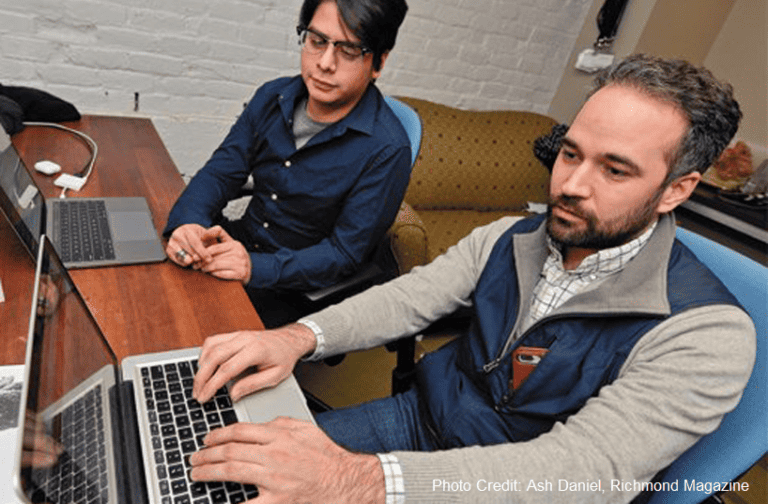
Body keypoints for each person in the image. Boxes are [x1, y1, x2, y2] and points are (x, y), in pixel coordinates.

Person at [186, 54, 756, 503]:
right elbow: (410, 298)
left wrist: (357, 482)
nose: (572, 185)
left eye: (614, 169)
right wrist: (297, 337)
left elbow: (580, 474)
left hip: (514, 487)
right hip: (421, 418)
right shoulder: (512, 235)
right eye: (570, 154)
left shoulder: (709, 336)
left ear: (677, 189)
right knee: (215, 472)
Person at [163, 0, 410, 327]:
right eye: (317, 40)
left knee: (190, 338)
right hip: (238, 245)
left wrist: (254, 267)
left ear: (378, 62)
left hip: (294, 289)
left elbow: (344, 253)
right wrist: (189, 224)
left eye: (349, 49)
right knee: (154, 292)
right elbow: (221, 172)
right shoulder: (271, 97)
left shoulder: (387, 148)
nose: (325, 62)